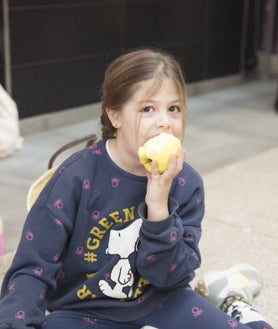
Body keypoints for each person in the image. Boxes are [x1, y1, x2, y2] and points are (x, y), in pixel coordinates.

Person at [0, 48, 273, 329]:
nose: (165, 121)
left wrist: (158, 209)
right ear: (115, 115)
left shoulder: (185, 183)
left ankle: (232, 300)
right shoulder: (76, 177)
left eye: (174, 108)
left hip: (163, 300)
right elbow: (32, 268)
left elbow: (172, 277)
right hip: (83, 312)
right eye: (147, 109)